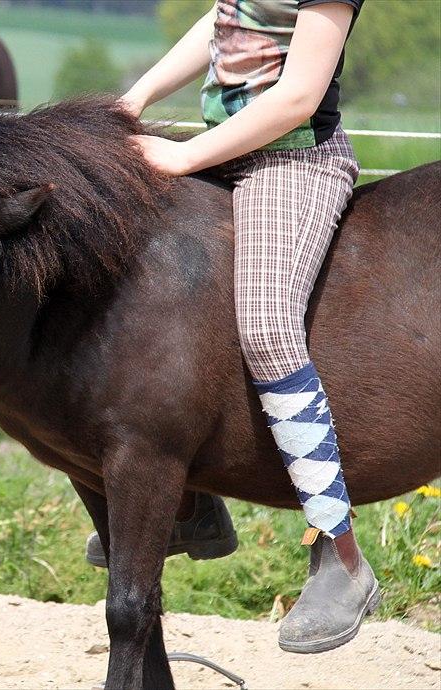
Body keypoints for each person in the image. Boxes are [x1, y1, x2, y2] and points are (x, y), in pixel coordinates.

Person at [87, 0, 378, 653]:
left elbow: (298, 96)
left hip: (291, 159)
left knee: (268, 328)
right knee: (141, 300)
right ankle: (187, 509)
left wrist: (183, 160)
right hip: (226, 148)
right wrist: (136, 97)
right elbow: (228, 20)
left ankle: (342, 554)